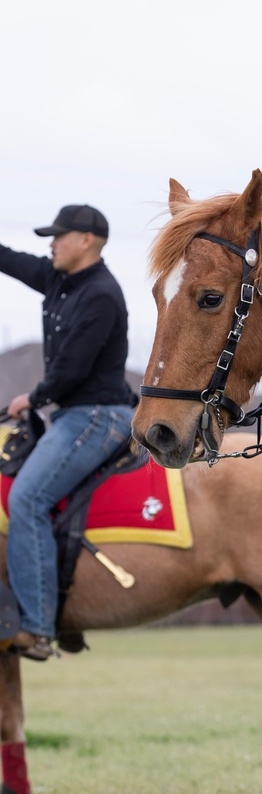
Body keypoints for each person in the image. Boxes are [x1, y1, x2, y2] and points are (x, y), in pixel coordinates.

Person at [0, 205, 136, 660]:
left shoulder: (101, 294)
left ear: (86, 241)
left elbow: (71, 369)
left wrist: (31, 398)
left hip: (97, 414)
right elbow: (14, 261)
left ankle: (37, 629)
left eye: (58, 236)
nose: (50, 244)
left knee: (27, 499)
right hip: (74, 413)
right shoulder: (61, 277)